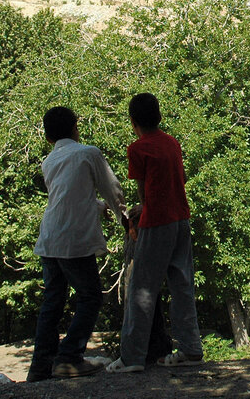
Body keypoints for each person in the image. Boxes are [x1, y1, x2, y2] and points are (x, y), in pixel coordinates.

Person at [27, 106, 127, 381]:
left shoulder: (49, 161)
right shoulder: (88, 153)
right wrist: (125, 220)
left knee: (53, 300)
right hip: (73, 239)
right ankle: (69, 358)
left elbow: (67, 196)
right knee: (90, 296)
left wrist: (96, 206)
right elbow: (112, 189)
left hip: (50, 238)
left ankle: (40, 366)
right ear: (75, 127)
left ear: (48, 138)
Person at [109, 93, 203, 373]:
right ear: (159, 116)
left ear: (133, 121)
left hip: (156, 223)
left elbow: (143, 189)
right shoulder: (172, 142)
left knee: (141, 289)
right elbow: (178, 180)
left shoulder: (138, 149)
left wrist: (142, 211)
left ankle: (132, 357)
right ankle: (191, 349)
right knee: (182, 284)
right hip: (180, 219)